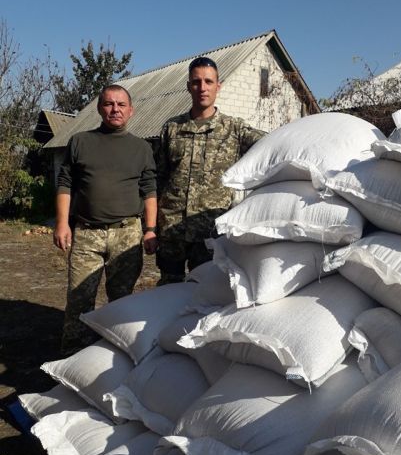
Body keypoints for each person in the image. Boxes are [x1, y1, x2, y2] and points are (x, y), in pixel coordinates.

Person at [54, 84, 157, 356]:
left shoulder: (142, 148)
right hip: (87, 233)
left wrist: (150, 229)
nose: (115, 109)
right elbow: (65, 183)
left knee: (121, 301)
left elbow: (149, 190)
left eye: (121, 104)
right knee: (79, 298)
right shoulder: (80, 141)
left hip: (127, 233)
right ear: (100, 108)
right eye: (109, 104)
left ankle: (114, 356)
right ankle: (72, 358)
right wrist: (62, 223)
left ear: (131, 110)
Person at [156, 56, 264, 284]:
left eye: (208, 81)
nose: (202, 88)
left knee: (206, 293)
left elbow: (273, 145)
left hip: (210, 232)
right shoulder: (172, 128)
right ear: (188, 87)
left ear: (218, 86)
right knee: (167, 290)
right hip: (172, 230)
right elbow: (160, 178)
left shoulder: (234, 129)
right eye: (196, 82)